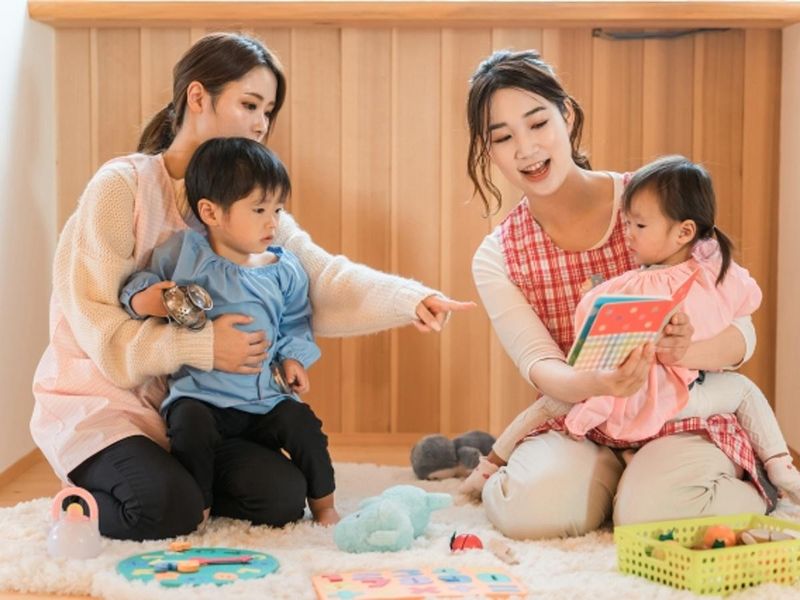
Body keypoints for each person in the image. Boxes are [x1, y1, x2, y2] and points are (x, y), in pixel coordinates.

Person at [31, 32, 473, 541]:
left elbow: (319, 277)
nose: (261, 123)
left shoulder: (250, 208)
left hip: (195, 407)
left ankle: (182, 484)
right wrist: (204, 346)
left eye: (268, 111)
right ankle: (84, 503)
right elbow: (100, 330)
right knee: (165, 509)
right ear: (198, 97)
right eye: (250, 105)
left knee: (281, 498)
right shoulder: (121, 187)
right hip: (103, 403)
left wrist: (410, 300)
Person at [465, 49, 777, 540]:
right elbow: (538, 362)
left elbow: (742, 333)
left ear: (567, 115)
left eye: (538, 123)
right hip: (585, 417)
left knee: (655, 518)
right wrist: (599, 383)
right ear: (489, 150)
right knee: (531, 513)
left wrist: (684, 350)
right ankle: (616, 484)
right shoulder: (497, 254)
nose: (525, 149)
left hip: (679, 413)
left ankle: (730, 489)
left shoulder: (655, 199)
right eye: (503, 137)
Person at [459, 155, 800, 505]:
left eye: (639, 226)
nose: (628, 234)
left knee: (551, 407)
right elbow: (748, 298)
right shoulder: (710, 270)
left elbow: (592, 311)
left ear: (684, 232)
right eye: (627, 223)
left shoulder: (654, 279)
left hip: (658, 398)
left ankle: (490, 466)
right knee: (742, 391)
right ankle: (779, 466)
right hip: (666, 396)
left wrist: (686, 348)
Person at [120, 137, 341, 526]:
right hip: (201, 397)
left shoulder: (283, 269)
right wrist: (144, 300)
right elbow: (139, 285)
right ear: (210, 212)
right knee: (189, 424)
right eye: (259, 210)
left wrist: (293, 358)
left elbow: (295, 321)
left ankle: (325, 506)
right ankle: (198, 507)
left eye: (277, 209)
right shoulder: (185, 254)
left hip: (263, 399)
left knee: (303, 425)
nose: (272, 222)